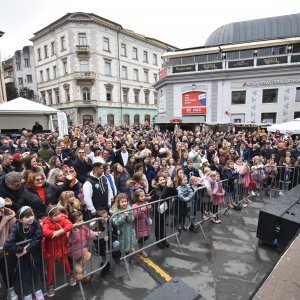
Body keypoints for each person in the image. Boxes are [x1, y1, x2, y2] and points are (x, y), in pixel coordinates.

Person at [4, 206, 44, 300]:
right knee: (25, 277)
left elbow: (38, 238)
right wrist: (20, 249)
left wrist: (26, 249)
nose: (31, 218)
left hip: (35, 255)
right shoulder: (16, 227)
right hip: (23, 259)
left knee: (37, 274)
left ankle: (38, 291)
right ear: (20, 219)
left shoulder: (36, 224)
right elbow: (8, 244)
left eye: (32, 215)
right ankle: (27, 295)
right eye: (27, 216)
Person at [42, 205, 75, 297]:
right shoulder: (47, 222)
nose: (58, 216)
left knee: (66, 262)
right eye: (55, 215)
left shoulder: (63, 219)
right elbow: (45, 232)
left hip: (62, 247)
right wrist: (54, 233)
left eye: (59, 214)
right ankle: (50, 284)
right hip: (51, 250)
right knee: (51, 267)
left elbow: (70, 225)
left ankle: (70, 276)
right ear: (50, 216)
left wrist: (61, 231)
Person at [68, 210, 98, 281]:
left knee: (81, 265)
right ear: (73, 222)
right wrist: (75, 231)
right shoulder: (70, 230)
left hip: (82, 249)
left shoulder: (83, 226)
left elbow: (89, 233)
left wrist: (96, 234)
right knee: (79, 263)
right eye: (79, 220)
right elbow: (70, 240)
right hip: (74, 251)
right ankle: (79, 273)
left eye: (82, 219)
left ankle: (81, 277)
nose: (82, 221)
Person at [151, 175, 177, 249]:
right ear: (157, 182)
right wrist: (167, 187)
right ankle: (158, 241)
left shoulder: (166, 187)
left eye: (163, 179)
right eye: (160, 180)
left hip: (165, 209)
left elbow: (175, 193)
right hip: (158, 210)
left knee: (163, 225)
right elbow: (161, 196)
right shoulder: (156, 189)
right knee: (158, 225)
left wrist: (172, 187)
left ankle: (163, 239)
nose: (163, 181)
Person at [0, 197, 18, 300]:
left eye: (2, 208)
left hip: (4, 251)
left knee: (7, 271)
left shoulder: (8, 215)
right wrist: (2, 223)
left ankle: (10, 290)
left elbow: (15, 232)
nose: (1, 210)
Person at [132, 189, 153, 257]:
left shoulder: (145, 202)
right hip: (139, 224)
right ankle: (140, 248)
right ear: (137, 197)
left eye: (143, 195)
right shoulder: (134, 205)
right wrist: (140, 210)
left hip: (145, 223)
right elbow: (134, 215)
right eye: (141, 196)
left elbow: (149, 212)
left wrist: (150, 208)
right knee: (141, 237)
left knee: (146, 236)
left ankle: (140, 247)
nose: (143, 197)